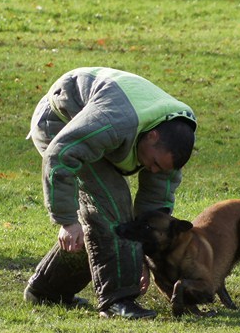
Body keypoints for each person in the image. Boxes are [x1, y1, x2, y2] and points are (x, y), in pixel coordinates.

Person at [25, 67, 197, 319]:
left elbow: (153, 209)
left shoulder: (174, 135)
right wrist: (67, 221)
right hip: (59, 123)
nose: (152, 170)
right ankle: (116, 301)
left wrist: (141, 255)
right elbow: (60, 154)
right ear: (152, 136)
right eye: (154, 163)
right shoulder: (117, 122)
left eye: (160, 168)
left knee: (116, 213)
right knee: (111, 207)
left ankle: (47, 291)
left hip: (97, 129)